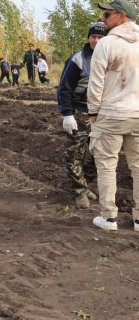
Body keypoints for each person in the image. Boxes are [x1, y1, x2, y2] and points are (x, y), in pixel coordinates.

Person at [87, 0, 139, 231]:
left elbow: (96, 81)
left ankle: (109, 218)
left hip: (111, 113)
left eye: (108, 15)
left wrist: (93, 111)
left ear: (122, 16)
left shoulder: (106, 44)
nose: (103, 19)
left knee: (107, 164)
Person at [57, 23, 107, 208]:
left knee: (99, 154)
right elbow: (64, 88)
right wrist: (67, 114)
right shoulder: (78, 59)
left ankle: (86, 185)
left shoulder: (111, 58)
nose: (96, 40)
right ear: (88, 38)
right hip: (80, 112)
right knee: (75, 154)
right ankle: (79, 191)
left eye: (100, 37)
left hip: (102, 115)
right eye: (93, 36)